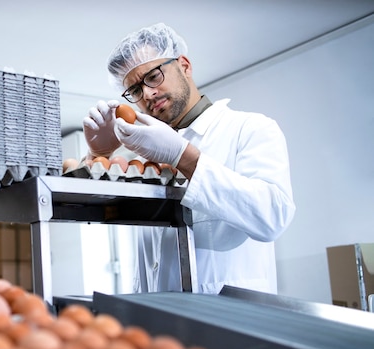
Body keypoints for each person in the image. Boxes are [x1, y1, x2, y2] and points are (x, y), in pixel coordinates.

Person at [82, 23, 296, 294]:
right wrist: (99, 155)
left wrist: (183, 156)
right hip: (156, 322)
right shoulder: (143, 157)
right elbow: (95, 211)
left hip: (228, 323)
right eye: (135, 90)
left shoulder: (250, 129)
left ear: (184, 65)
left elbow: (272, 217)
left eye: (153, 76)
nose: (147, 94)